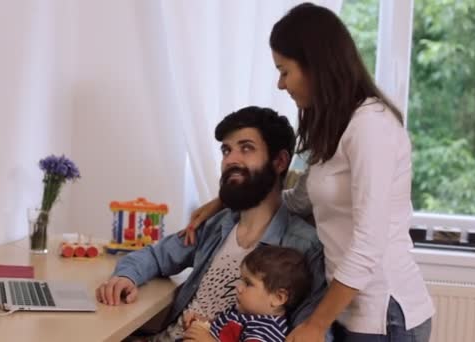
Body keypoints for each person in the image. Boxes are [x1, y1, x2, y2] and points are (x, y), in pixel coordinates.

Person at [181, 3, 434, 342]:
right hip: (347, 307)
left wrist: (316, 323)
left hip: (384, 313)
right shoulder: (331, 132)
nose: (281, 84)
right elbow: (297, 202)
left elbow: (369, 241)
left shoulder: (371, 126)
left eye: (284, 71)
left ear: (315, 65)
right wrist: (224, 203)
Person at [95, 106, 328, 341]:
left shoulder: (305, 248)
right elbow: (157, 256)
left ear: (279, 161)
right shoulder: (217, 224)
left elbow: (311, 333)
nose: (230, 160)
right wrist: (126, 277)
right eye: (227, 150)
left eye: (246, 148)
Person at [182, 245, 312, 342]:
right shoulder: (242, 311)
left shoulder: (266, 331)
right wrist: (202, 323)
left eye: (248, 283)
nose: (238, 288)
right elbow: (221, 330)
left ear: (278, 298)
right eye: (241, 280)